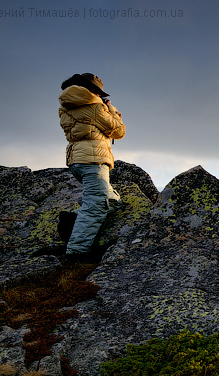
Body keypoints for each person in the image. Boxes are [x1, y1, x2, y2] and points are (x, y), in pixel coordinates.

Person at [58, 73, 125, 262]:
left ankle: (72, 222)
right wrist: (111, 109)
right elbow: (118, 131)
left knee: (112, 202)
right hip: (94, 161)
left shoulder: (65, 106)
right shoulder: (94, 106)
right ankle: (76, 253)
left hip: (77, 161)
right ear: (92, 90)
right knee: (96, 205)